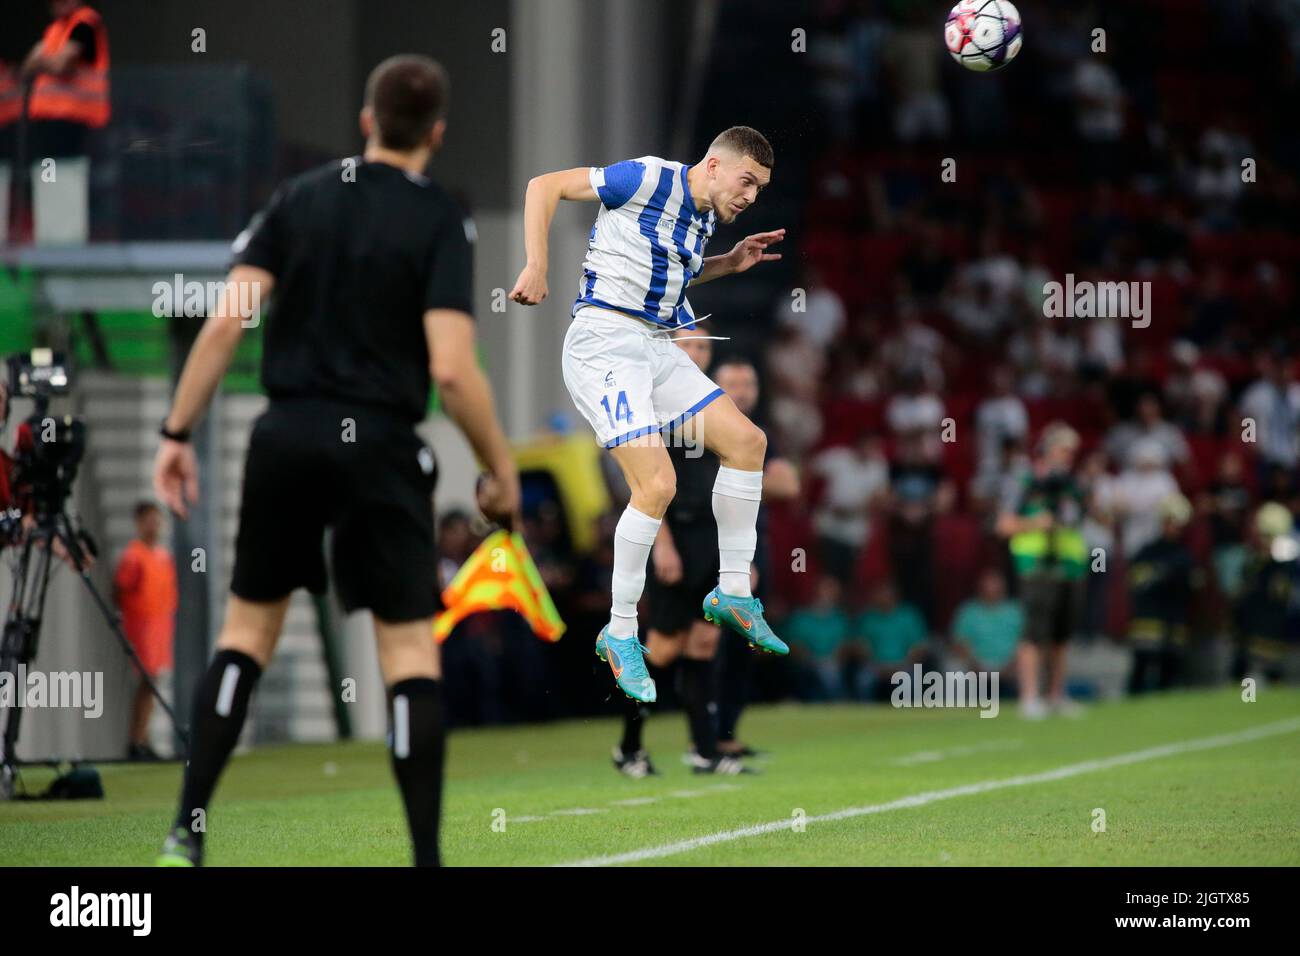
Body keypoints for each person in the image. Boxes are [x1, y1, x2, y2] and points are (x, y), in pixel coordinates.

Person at [151, 55, 518, 867]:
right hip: (381, 445)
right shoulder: (440, 220)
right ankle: (425, 859)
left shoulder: (300, 197)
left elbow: (223, 324)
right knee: (407, 653)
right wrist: (501, 466)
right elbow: (453, 369)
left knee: (245, 634)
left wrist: (176, 434)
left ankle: (186, 831)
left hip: (286, 435)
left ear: (365, 121)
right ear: (438, 134)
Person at [509, 126, 789, 704]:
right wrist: (536, 264)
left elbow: (672, 271)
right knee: (657, 483)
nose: (751, 197)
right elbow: (544, 185)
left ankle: (733, 591)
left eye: (759, 190)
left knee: (747, 443)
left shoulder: (705, 220)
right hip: (604, 343)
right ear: (713, 166)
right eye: (747, 182)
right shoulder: (646, 177)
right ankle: (619, 631)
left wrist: (728, 264)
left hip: (658, 345)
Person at [612, 328, 741, 777]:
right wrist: (662, 542)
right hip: (677, 536)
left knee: (704, 643)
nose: (698, 353)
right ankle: (628, 748)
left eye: (705, 346)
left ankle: (704, 751)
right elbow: (641, 481)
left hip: (712, 537)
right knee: (662, 651)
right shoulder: (652, 402)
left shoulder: (712, 402)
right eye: (689, 344)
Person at [996, 422, 1089, 719]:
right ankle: (1029, 697)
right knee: (1034, 634)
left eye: (1072, 451)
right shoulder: (1025, 481)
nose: (1068, 456)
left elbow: (1084, 518)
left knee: (1061, 635)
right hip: (1036, 566)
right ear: (1047, 449)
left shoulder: (1072, 485)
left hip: (1069, 566)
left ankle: (1056, 695)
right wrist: (1036, 523)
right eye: (1064, 449)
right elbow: (1003, 525)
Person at [20, 0, 110, 244]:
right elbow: (27, 67)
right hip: (49, 124)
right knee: (47, 179)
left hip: (72, 122)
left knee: (66, 178)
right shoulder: (56, 29)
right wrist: (47, 61)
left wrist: (44, 61)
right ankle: (50, 239)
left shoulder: (84, 23)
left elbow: (61, 64)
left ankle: (66, 243)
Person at [113, 502, 178, 759]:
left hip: (160, 626)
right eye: (149, 520)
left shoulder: (162, 556)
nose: (154, 525)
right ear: (139, 523)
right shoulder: (134, 556)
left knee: (152, 683)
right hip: (141, 625)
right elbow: (119, 590)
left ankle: (143, 738)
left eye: (157, 519)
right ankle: (136, 739)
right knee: (145, 682)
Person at [1125, 493, 1197, 694]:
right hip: (1148, 620)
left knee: (1170, 673)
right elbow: (1136, 580)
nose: (1174, 528)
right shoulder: (1147, 551)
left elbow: (1192, 586)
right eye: (1171, 522)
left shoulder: (1185, 555)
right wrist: (1160, 574)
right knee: (1142, 667)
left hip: (1174, 620)